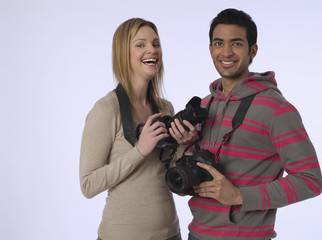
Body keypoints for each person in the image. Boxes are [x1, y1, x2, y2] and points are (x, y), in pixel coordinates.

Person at [184, 8, 322, 240]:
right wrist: (184, 146)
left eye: (236, 43)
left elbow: (311, 180)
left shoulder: (276, 109)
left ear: (253, 50)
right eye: (219, 43)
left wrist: (239, 195)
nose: (226, 52)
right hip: (195, 233)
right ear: (210, 49)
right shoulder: (204, 106)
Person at [79, 18, 195, 240]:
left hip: (171, 233)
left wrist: (184, 144)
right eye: (140, 44)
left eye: (156, 44)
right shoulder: (106, 109)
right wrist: (139, 151)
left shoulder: (164, 107)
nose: (152, 49)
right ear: (124, 53)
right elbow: (88, 184)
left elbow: (174, 179)